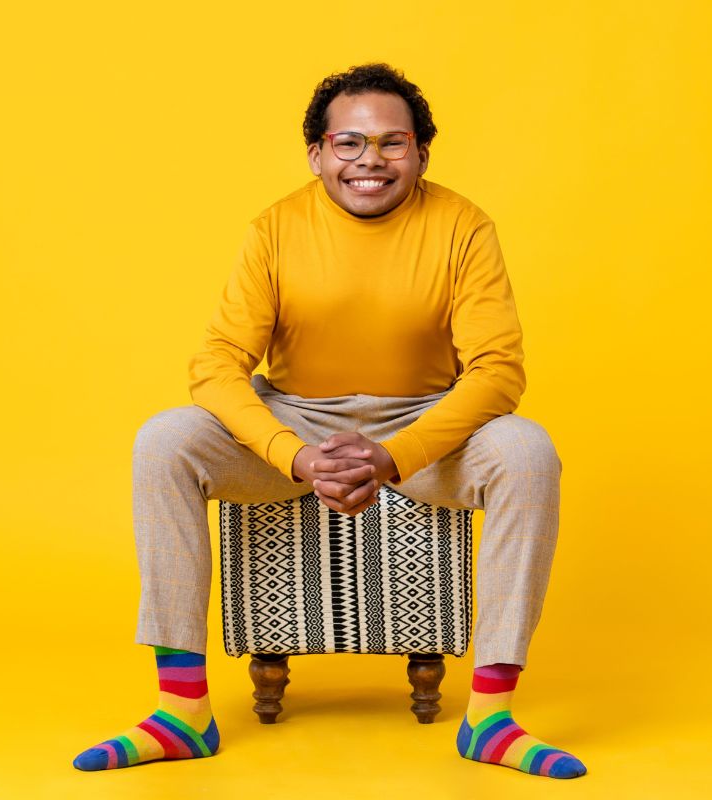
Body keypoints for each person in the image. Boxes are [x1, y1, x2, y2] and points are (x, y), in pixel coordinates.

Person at [73, 63, 587, 779]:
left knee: (527, 451)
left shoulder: (463, 225)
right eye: (348, 143)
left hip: (426, 429)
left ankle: (490, 717)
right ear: (316, 153)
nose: (369, 161)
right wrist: (293, 454)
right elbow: (217, 362)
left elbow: (498, 371)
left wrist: (393, 456)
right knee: (164, 439)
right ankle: (181, 712)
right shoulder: (276, 227)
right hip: (296, 422)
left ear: (421, 154)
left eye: (391, 143)